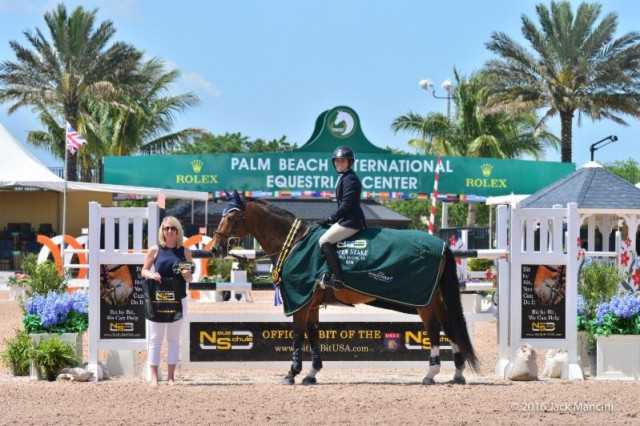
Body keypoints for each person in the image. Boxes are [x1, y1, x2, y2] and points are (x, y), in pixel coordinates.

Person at [141, 216, 193, 386]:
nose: (169, 231)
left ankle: (171, 377)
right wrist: (152, 275)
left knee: (173, 339)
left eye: (173, 228)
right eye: (166, 228)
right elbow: (144, 270)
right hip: (158, 298)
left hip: (178, 299)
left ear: (178, 231)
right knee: (155, 338)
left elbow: (189, 277)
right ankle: (154, 377)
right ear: (162, 231)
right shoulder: (155, 250)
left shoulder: (185, 252)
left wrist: (186, 274)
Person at [316, 145, 366, 290]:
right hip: (346, 219)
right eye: (337, 161)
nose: (339, 163)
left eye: (342, 161)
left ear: (350, 163)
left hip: (351, 222)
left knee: (324, 241)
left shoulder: (350, 179)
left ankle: (338, 279)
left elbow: (346, 205)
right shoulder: (345, 177)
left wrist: (330, 218)